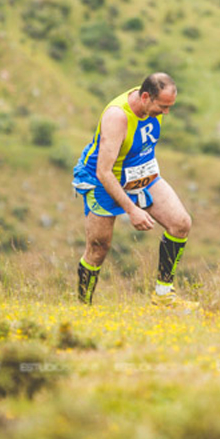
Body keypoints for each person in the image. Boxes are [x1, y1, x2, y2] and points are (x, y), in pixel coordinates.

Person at [72, 72, 195, 307]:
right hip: (104, 180)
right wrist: (132, 210)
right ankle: (82, 306)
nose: (166, 113)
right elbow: (104, 172)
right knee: (98, 248)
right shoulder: (117, 118)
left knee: (181, 223)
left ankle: (163, 296)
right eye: (163, 107)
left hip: (141, 173)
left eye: (170, 107)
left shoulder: (150, 102)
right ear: (146, 97)